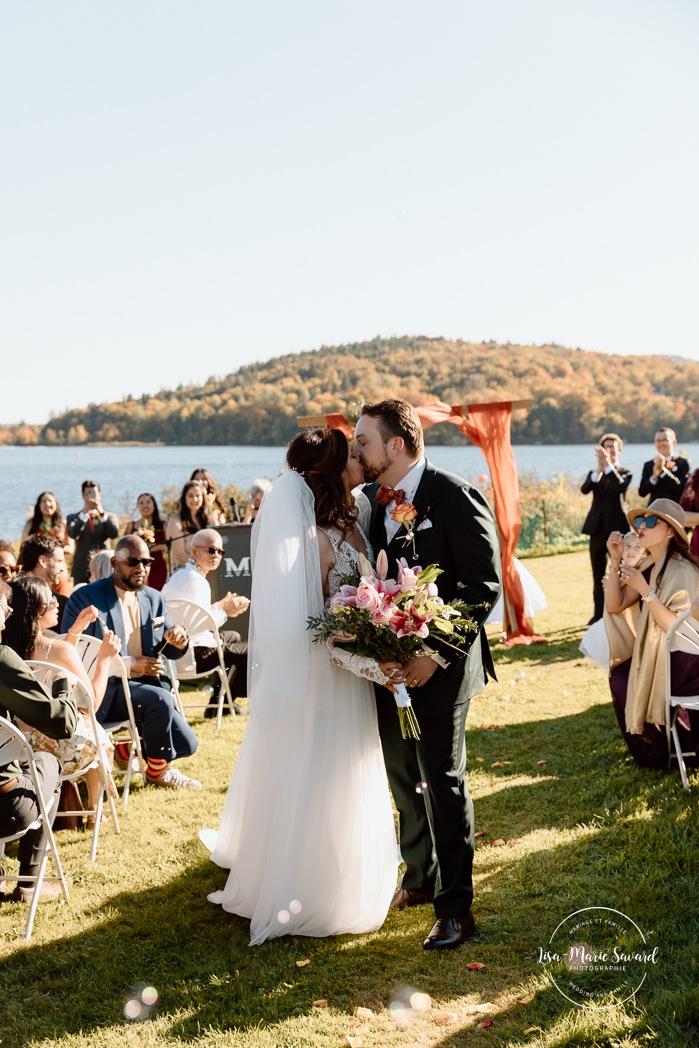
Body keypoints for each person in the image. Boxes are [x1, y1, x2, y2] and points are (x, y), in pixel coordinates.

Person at [206, 428, 398, 944]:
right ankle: (310, 888)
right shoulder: (313, 539)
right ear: (332, 471)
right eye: (351, 454)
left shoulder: (356, 517)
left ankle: (349, 874)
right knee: (322, 770)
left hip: (357, 673)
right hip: (329, 673)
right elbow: (311, 617)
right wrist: (356, 639)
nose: (359, 459)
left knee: (352, 765)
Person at [352, 399, 501, 951]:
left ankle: (456, 909)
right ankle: (419, 879)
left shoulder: (454, 494)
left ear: (396, 445)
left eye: (364, 441)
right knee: (401, 777)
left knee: (442, 780)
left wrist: (433, 654)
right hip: (388, 668)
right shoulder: (367, 501)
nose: (356, 451)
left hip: (443, 667)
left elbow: (481, 586)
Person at [62, 535, 202, 790]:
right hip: (105, 690)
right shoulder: (86, 598)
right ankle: (158, 772)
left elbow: (169, 646)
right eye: (134, 562)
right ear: (116, 562)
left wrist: (179, 640)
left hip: (146, 687)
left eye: (146, 562)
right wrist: (127, 665)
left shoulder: (154, 598)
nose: (142, 568)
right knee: (161, 701)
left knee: (188, 744)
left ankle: (125, 751)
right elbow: (73, 655)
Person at [3, 576, 120, 823]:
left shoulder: (8, 650)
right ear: (36, 610)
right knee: (96, 731)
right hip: (63, 749)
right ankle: (92, 813)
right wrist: (105, 661)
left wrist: (74, 632)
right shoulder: (58, 649)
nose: (58, 603)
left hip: (20, 749)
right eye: (51, 599)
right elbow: (92, 705)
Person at [0, 579, 78, 903]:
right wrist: (63, 685)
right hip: (7, 808)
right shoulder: (2, 658)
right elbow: (63, 723)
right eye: (1, 603)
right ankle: (29, 885)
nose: (8, 609)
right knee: (49, 763)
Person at [605, 499, 699, 767]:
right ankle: (663, 746)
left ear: (670, 531)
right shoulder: (650, 566)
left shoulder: (681, 569)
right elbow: (615, 605)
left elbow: (675, 627)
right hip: (672, 658)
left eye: (649, 521)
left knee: (623, 675)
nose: (640, 527)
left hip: (687, 665)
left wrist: (646, 592)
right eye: (638, 522)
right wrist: (615, 561)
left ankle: (663, 748)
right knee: (621, 671)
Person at [162, 529, 249, 717]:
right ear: (194, 551)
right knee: (251, 652)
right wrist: (226, 611)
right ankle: (225, 703)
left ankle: (217, 703)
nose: (216, 555)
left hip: (182, 651)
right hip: (193, 654)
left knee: (233, 636)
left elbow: (194, 614)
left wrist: (221, 606)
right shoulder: (195, 580)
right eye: (211, 550)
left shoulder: (185, 575)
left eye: (220, 551)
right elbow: (198, 626)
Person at [580, 433, 633, 624]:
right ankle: (598, 615)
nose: (609, 450)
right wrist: (599, 469)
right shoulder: (596, 474)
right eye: (606, 447)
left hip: (617, 529)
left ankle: (618, 611)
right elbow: (584, 489)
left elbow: (620, 487)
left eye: (613, 446)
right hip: (596, 530)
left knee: (619, 572)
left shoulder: (624, 472)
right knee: (597, 574)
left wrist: (608, 466)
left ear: (619, 449)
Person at [579, 531, 648, 671]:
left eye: (637, 547)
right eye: (627, 546)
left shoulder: (641, 572)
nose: (631, 551)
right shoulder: (618, 570)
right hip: (615, 626)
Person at [66, 481, 119, 584]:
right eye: (88, 493)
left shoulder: (109, 516)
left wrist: (102, 514)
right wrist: (84, 514)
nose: (91, 497)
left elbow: (114, 534)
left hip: (105, 566)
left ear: (100, 494)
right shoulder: (73, 518)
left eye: (94, 493)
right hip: (82, 570)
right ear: (83, 496)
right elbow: (72, 534)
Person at [21, 492, 74, 596]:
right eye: (44, 501)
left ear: (56, 504)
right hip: (38, 568)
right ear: (38, 505)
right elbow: (24, 545)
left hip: (58, 567)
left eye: (50, 501)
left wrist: (54, 551)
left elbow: (71, 548)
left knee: (61, 597)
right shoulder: (31, 524)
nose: (47, 504)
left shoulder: (63, 524)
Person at [165, 480, 217, 572]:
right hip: (182, 573)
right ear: (184, 498)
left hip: (207, 573)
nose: (195, 499)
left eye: (198, 495)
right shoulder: (175, 522)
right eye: (190, 496)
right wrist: (201, 568)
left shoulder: (209, 520)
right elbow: (180, 555)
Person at [18, 534, 70, 620]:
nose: (63, 569)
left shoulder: (12, 593)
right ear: (43, 561)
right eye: (59, 561)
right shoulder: (59, 605)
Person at [125, 493, 168, 590]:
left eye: (148, 502)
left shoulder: (162, 525)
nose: (145, 505)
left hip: (158, 568)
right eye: (141, 503)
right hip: (136, 569)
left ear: (154, 505)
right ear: (137, 506)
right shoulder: (131, 526)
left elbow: (168, 547)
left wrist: (154, 548)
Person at [638, 428, 690, 505]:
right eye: (658, 440)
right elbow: (642, 493)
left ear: (674, 442)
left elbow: (682, 490)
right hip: (654, 510)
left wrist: (663, 471)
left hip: (675, 510)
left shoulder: (683, 463)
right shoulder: (649, 465)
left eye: (665, 440)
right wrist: (654, 477)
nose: (661, 443)